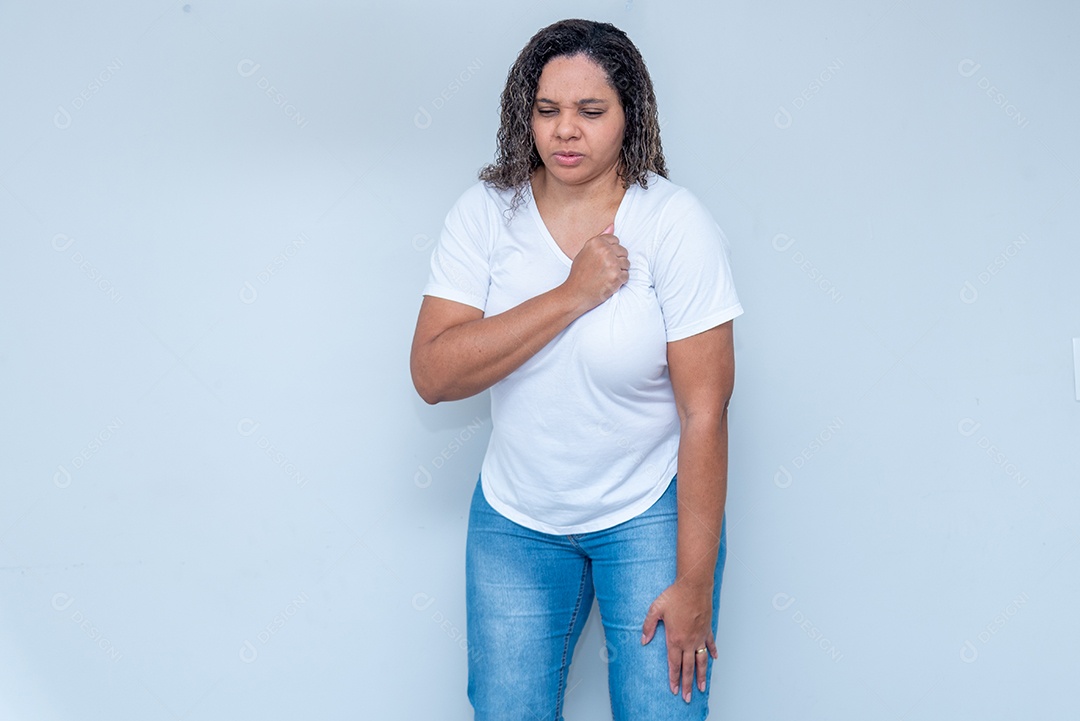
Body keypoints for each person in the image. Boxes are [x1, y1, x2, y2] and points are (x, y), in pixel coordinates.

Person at [410, 18, 743, 721]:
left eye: (591, 111)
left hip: (646, 513)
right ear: (523, 114)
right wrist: (572, 293)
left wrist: (694, 579)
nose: (567, 130)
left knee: (665, 711)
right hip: (516, 519)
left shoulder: (674, 225)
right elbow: (434, 375)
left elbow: (705, 411)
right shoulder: (485, 214)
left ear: (630, 115)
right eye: (548, 110)